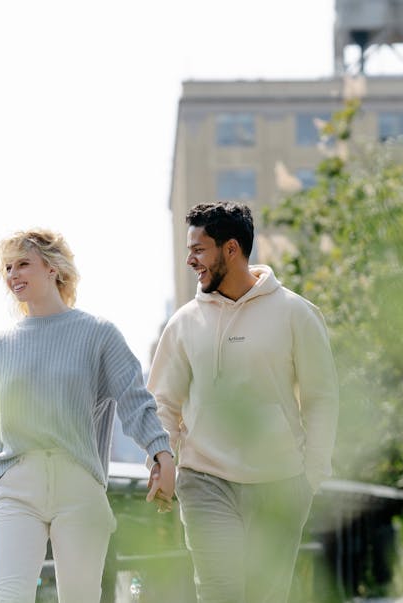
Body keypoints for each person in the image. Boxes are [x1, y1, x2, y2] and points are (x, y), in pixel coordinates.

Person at [148, 201, 339, 602]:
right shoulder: (184, 323)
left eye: (199, 250)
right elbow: (163, 402)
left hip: (281, 484)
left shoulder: (296, 313)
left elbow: (321, 398)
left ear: (230, 249)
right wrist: (163, 460)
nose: (190, 260)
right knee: (218, 593)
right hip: (205, 481)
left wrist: (311, 477)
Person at [0, 228, 175, 603]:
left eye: (23, 264)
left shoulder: (98, 334)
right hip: (16, 491)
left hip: (79, 489)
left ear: (53, 268)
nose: (13, 275)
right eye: (7, 268)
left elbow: (135, 399)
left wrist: (161, 453)